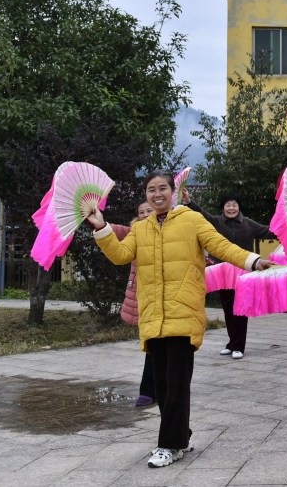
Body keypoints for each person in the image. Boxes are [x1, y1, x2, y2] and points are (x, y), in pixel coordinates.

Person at [84, 171, 274, 469]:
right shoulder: (141, 228)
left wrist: (252, 261)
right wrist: (101, 228)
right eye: (151, 190)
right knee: (162, 386)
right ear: (145, 195)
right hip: (154, 317)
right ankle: (181, 435)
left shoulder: (191, 220)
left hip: (183, 313)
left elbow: (221, 245)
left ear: (173, 191)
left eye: (162, 188)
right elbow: (121, 255)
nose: (157, 194)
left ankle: (168, 445)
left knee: (176, 383)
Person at [182, 190, 275, 360]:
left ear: (239, 207)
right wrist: (189, 202)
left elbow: (269, 232)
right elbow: (201, 214)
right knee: (228, 310)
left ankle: (239, 346)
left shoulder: (248, 224)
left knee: (240, 309)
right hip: (223, 273)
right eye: (228, 205)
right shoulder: (216, 222)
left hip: (243, 272)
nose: (231, 208)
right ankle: (231, 343)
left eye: (234, 205)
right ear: (223, 207)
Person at [117, 201, 156, 407]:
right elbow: (115, 231)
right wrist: (95, 222)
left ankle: (155, 389)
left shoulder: (171, 230)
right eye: (140, 212)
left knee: (162, 346)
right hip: (144, 298)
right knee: (151, 342)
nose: (144, 215)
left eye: (148, 211)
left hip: (166, 298)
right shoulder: (135, 232)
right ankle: (148, 390)